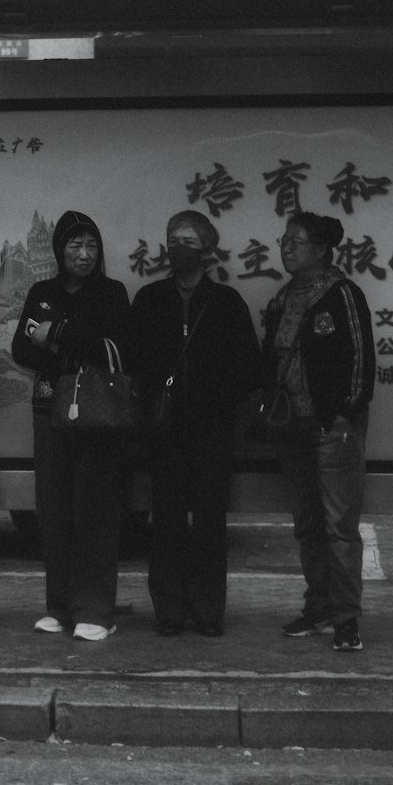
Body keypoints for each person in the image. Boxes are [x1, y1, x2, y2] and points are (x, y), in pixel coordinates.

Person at [129, 210, 260, 638]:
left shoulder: (226, 302)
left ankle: (208, 610)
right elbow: (134, 362)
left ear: (206, 249)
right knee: (165, 521)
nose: (177, 247)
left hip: (211, 432)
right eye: (172, 238)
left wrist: (216, 402)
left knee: (208, 523)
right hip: (163, 432)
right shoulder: (149, 299)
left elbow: (249, 368)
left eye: (186, 239)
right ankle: (167, 610)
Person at [11, 210, 131, 642]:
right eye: (74, 246)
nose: (83, 254)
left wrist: (58, 333)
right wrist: (72, 345)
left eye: (91, 246)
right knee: (54, 511)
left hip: (98, 414)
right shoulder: (42, 291)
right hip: (49, 411)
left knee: (96, 512)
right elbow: (22, 349)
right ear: (60, 250)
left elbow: (118, 347)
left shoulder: (112, 292)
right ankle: (58, 607)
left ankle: (97, 611)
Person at [261, 212, 375, 652]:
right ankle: (319, 607)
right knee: (308, 525)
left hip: (334, 428)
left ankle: (347, 619)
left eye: (296, 241)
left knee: (340, 529)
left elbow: (362, 359)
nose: (286, 247)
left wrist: (346, 413)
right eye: (284, 240)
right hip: (292, 429)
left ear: (322, 250)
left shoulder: (343, 295)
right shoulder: (282, 298)